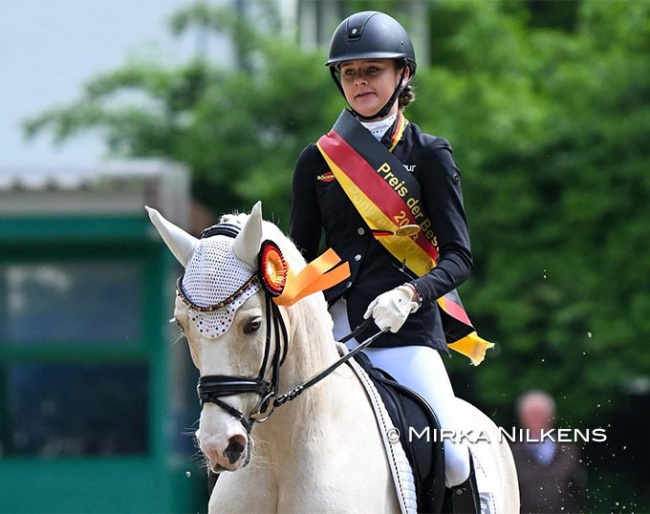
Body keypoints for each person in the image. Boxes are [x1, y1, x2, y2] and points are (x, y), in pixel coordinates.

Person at [290, 10, 491, 512]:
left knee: (452, 456)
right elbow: (300, 254)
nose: (360, 82)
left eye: (372, 71)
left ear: (402, 74)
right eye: (350, 73)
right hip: (332, 331)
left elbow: (459, 256)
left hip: (406, 328)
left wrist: (411, 293)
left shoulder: (430, 154)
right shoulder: (317, 160)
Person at [510, 390, 587, 513]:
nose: (536, 419)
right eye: (532, 414)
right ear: (522, 417)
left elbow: (578, 492)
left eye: (540, 414)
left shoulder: (569, 453)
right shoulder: (511, 454)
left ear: (552, 416)